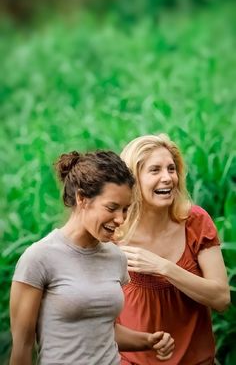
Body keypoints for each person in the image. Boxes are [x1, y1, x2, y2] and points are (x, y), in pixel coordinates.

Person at [9, 149, 175, 365]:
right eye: (112, 208)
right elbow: (23, 348)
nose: (120, 219)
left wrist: (147, 340)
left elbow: (102, 330)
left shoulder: (116, 258)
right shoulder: (39, 258)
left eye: (125, 209)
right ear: (82, 198)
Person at [115, 134, 230, 365]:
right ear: (133, 180)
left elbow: (221, 299)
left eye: (171, 169)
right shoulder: (114, 232)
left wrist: (163, 267)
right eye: (155, 170)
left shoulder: (195, 221)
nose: (168, 178)